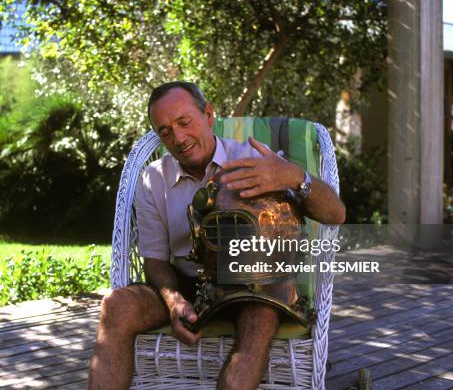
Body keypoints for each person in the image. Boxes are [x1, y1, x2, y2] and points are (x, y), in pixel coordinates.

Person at [88, 81, 345, 390]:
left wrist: (294, 176)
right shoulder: (152, 178)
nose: (179, 138)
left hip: (252, 282)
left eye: (184, 122)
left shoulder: (254, 158)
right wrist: (173, 300)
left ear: (208, 114)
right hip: (186, 282)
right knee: (116, 304)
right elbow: (154, 260)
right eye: (165, 131)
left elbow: (336, 214)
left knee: (261, 316)